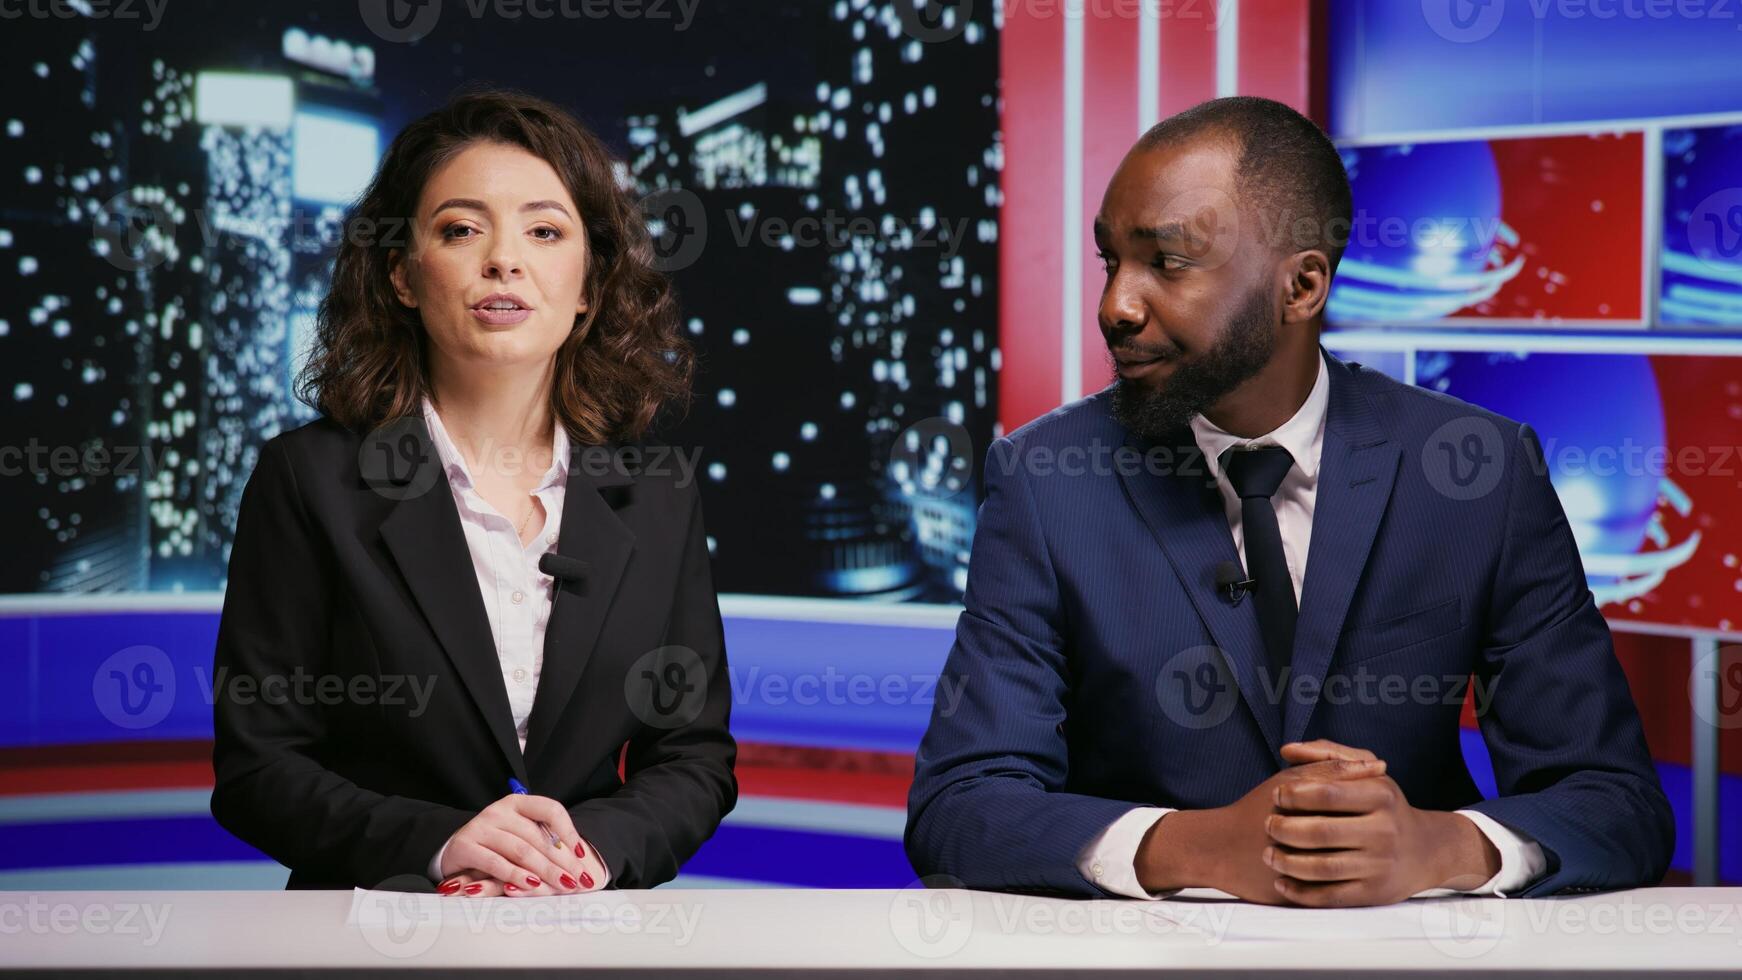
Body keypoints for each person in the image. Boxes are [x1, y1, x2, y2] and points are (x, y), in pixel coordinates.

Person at [906, 96, 1673, 905]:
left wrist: (1441, 845)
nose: (1116, 307)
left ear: (1301, 285)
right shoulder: (1041, 479)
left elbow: (1617, 805)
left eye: (1166, 263)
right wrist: (1193, 847)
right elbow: (960, 808)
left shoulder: (1480, 474)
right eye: (1111, 262)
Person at [210, 88, 736, 894]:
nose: (503, 260)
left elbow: (693, 757)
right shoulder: (308, 480)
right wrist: (444, 844)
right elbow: (259, 768)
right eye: (460, 230)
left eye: (545, 231)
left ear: (590, 285)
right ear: (402, 276)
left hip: (578, 930)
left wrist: (581, 857)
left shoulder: (657, 495)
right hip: (373, 932)